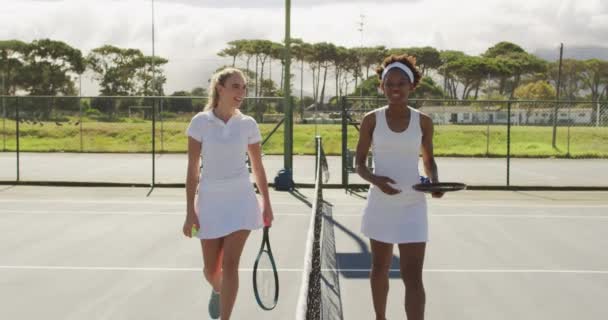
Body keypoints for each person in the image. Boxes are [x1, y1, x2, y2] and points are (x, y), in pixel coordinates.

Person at [355, 54, 443, 320]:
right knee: (379, 268)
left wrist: (436, 183)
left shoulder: (423, 121)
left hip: (413, 205)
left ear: (411, 86)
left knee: (413, 276)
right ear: (381, 86)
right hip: (380, 203)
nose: (395, 88)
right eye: (389, 83)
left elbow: (429, 162)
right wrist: (376, 181)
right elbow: (358, 164)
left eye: (401, 83)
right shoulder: (371, 120)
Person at [182, 67, 274, 320]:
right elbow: (192, 170)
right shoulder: (200, 122)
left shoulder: (248, 124)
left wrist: (267, 202)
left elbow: (257, 167)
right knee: (211, 270)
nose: (242, 92)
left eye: (244, 87)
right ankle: (218, 288)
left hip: (241, 200)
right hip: (210, 200)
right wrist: (190, 212)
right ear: (219, 89)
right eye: (236, 86)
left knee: (231, 265)